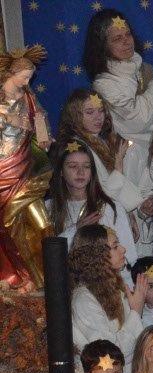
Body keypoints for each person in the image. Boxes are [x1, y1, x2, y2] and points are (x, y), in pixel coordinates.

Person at [84, 9, 153, 179]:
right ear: (103, 46)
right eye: (117, 38)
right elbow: (135, 121)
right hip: (131, 162)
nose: (126, 41)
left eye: (128, 34)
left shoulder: (148, 70)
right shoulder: (104, 84)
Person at [70, 225, 146, 373]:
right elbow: (108, 355)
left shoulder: (115, 290)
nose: (123, 249)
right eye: (115, 246)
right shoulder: (84, 300)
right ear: (97, 256)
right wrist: (136, 312)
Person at [0, 45, 52, 290]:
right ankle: (25, 276)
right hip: (3, 173)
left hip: (27, 171)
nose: (27, 82)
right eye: (24, 77)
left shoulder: (29, 98)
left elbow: (39, 119)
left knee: (44, 226)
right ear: (11, 74)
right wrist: (8, 119)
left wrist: (43, 137)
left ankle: (49, 278)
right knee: (9, 227)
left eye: (30, 78)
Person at [48, 139, 137, 270]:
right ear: (61, 171)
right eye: (73, 166)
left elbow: (129, 258)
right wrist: (76, 229)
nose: (81, 172)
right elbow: (49, 256)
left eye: (86, 166)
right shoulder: (49, 208)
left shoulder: (109, 208)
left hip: (106, 279)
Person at [55, 88, 143, 218]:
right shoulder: (78, 148)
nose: (98, 117)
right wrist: (118, 165)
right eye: (89, 112)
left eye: (101, 110)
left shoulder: (100, 140)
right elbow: (102, 192)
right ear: (75, 115)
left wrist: (130, 213)